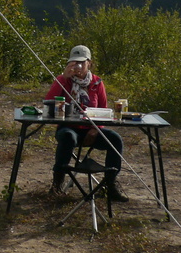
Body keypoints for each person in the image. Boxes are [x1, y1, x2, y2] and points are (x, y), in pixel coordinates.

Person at [44, 45, 129, 203]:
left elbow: (104, 110)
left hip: (91, 129)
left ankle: (110, 184)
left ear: (89, 63)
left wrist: (96, 129)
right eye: (74, 62)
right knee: (68, 137)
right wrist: (63, 78)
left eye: (81, 62)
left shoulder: (97, 82)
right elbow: (49, 102)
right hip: (68, 128)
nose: (77, 66)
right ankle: (57, 184)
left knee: (115, 139)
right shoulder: (63, 80)